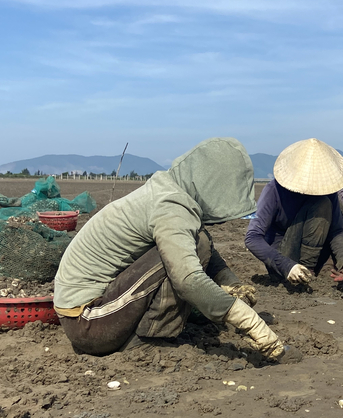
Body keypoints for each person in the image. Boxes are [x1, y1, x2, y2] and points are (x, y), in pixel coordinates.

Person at [54, 138, 296, 362]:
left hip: (90, 314)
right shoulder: (171, 206)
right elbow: (188, 279)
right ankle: (151, 339)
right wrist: (252, 325)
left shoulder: (168, 190)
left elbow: (203, 246)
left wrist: (232, 284)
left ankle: (148, 331)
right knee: (186, 258)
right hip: (88, 323)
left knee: (195, 242)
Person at [245, 138, 343, 285]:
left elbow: (337, 231)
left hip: (315, 249)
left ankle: (313, 268)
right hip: (284, 255)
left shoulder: (327, 192)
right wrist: (287, 265)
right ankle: (306, 270)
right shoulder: (274, 190)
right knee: (321, 205)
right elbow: (252, 238)